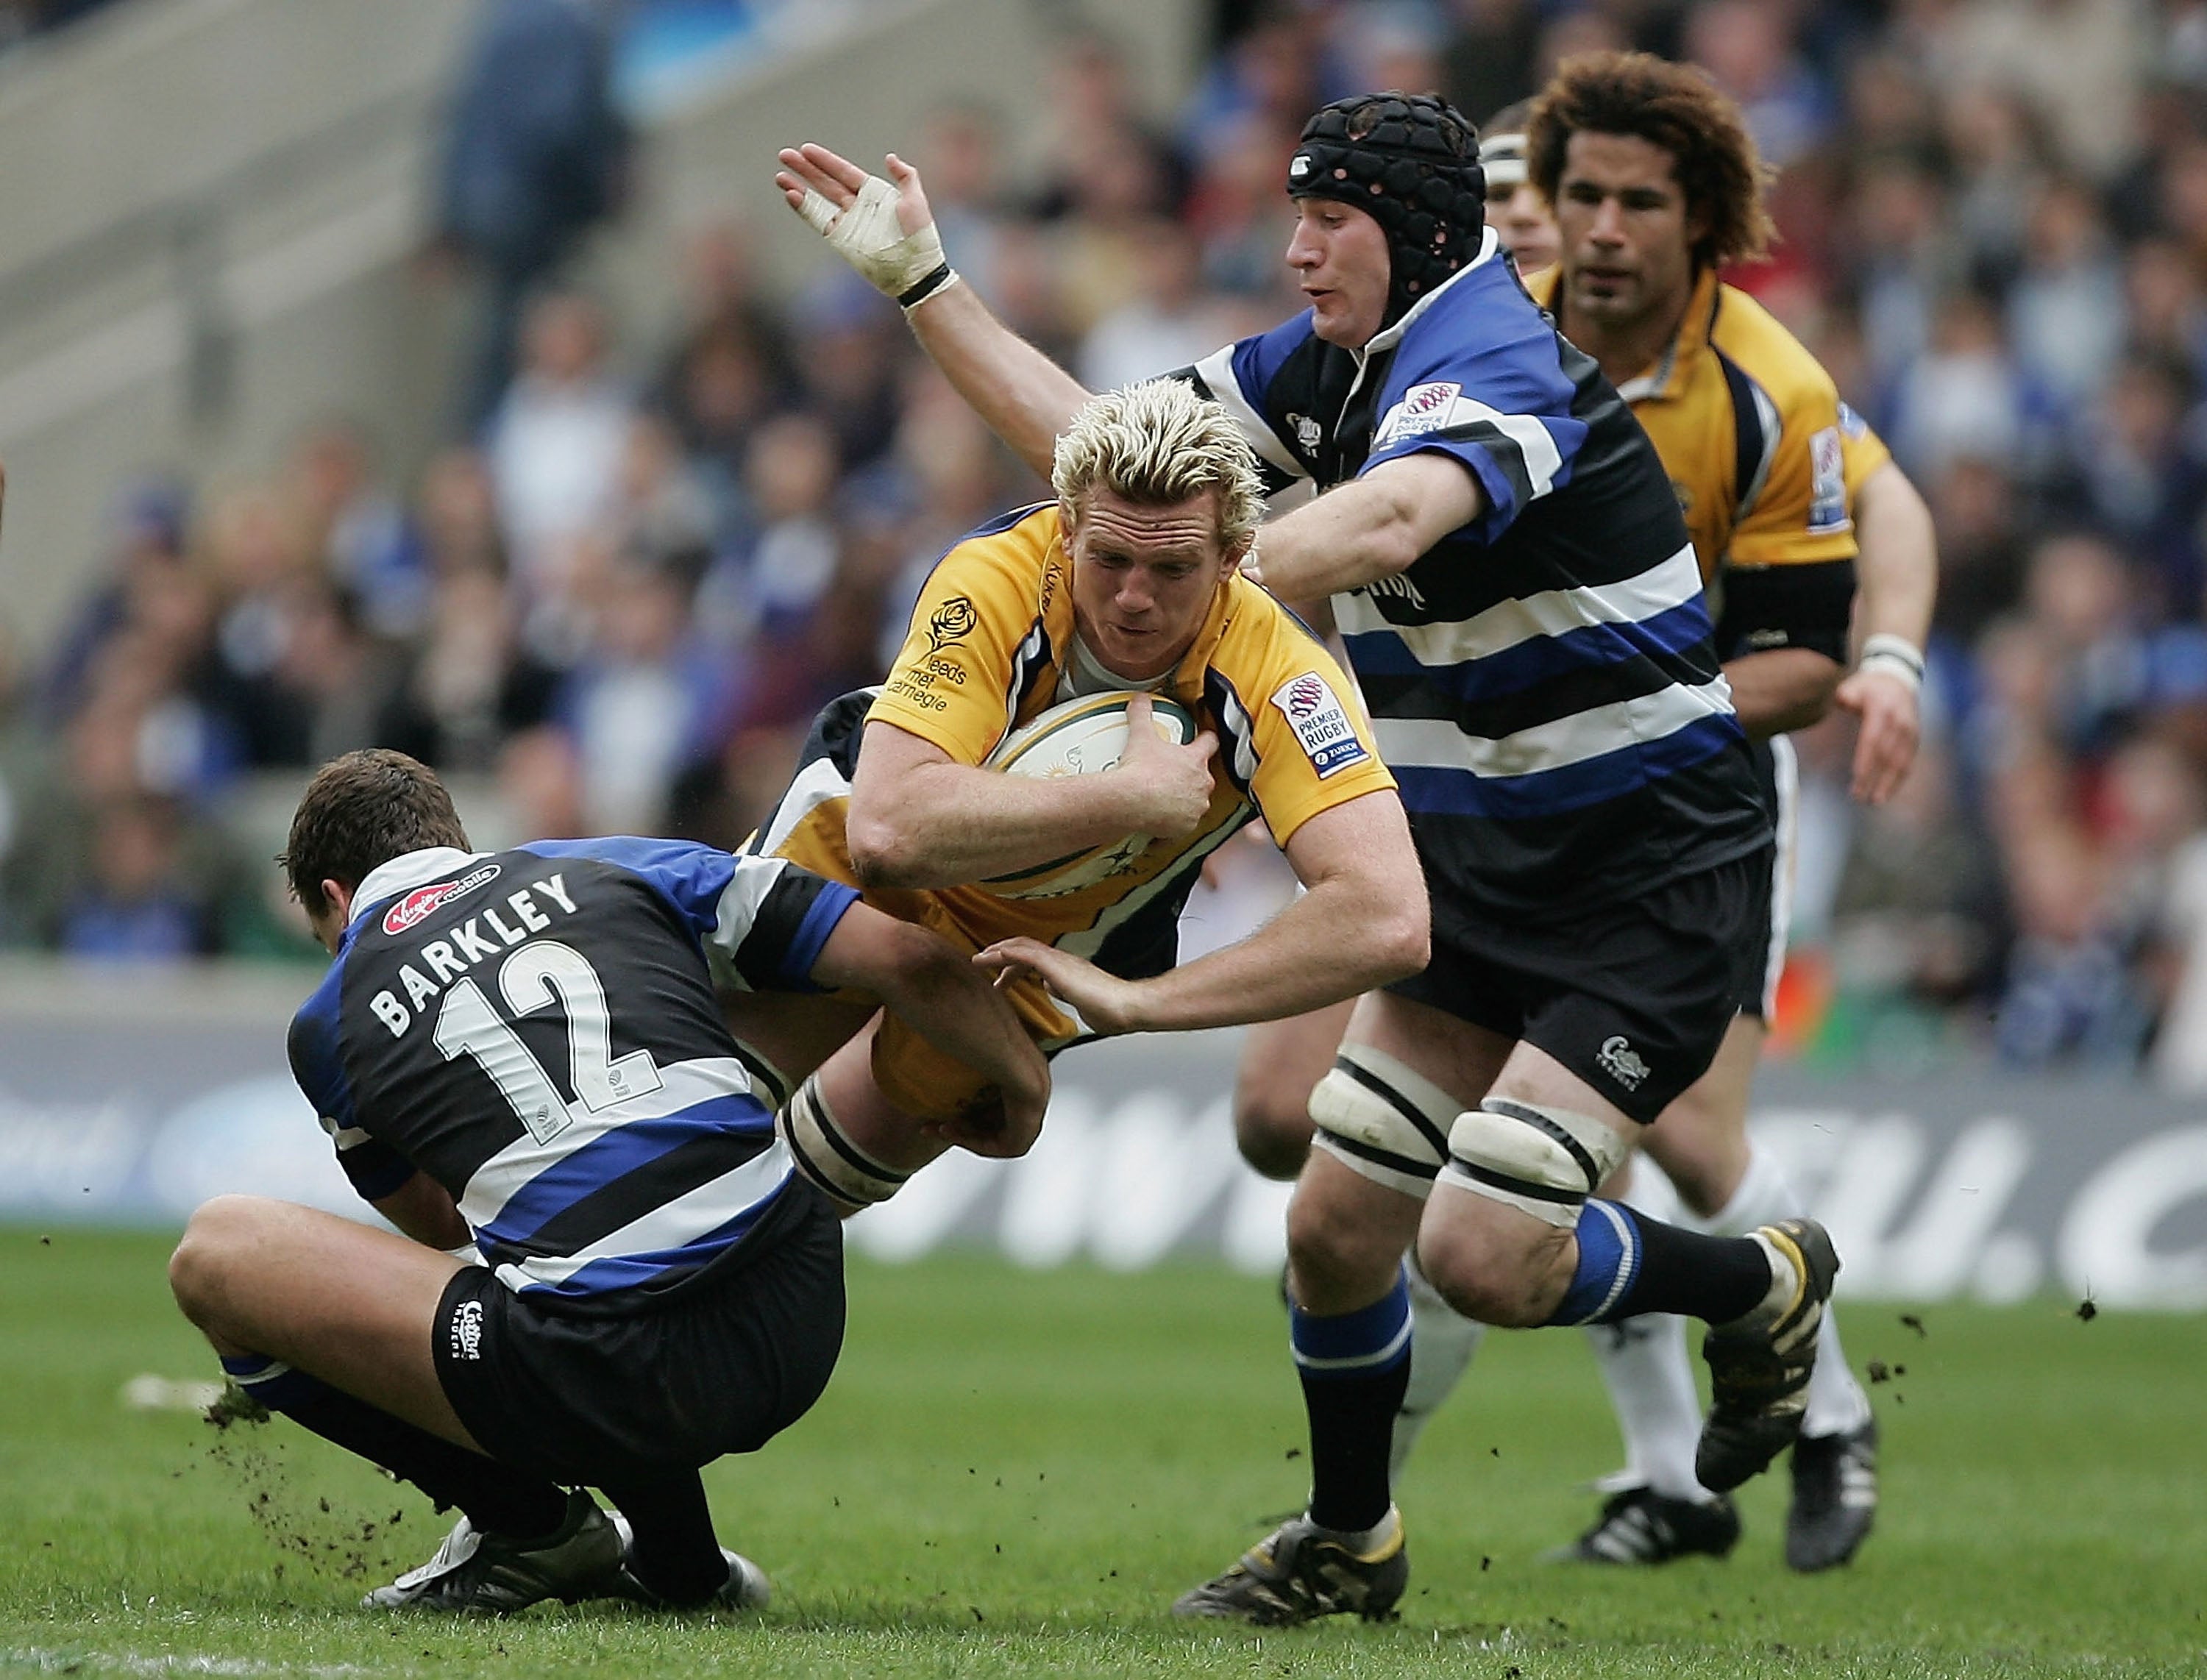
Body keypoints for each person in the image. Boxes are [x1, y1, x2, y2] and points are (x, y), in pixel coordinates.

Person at [777, 91, 1839, 1628]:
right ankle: (1352, 1537)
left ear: (1407, 236)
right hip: (1475, 862)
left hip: (1644, 874)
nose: (1293, 251)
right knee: (1336, 1230)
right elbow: (1109, 457)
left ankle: (1759, 1282)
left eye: (1325, 222)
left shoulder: (1505, 363)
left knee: (1482, 1248)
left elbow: (1400, 517)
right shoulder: (1328, 366)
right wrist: (929, 289)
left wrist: (1187, 575)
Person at [1354, 56, 1938, 1576]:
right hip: (1504, 797)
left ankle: (1828, 1412)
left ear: (1705, 221)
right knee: (1480, 1160)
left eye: (1638, 203)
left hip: (1691, 796)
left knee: (1679, 1135)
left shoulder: (1770, 387)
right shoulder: (1495, 348)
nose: (1602, 230)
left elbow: (1845, 585)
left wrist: (1886, 659)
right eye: (1580, 199)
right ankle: (1629, 1477)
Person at [167, 748, 1047, 1614]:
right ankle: (681, 1566)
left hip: (600, 1381)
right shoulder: (620, 861)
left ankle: (530, 1528)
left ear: (335, 898)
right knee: (600, 1235)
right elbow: (914, 961)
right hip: (798, 1309)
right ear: (456, 840)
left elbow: (436, 1222)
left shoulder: (329, 1023)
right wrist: (1024, 1089)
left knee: (221, 1254)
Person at [718, 377, 1429, 1209]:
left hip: (1038, 953)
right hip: (866, 859)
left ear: (1235, 559)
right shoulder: (995, 575)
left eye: (1173, 568)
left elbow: (1390, 917)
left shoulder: (1286, 678)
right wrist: (1128, 799)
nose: (1133, 597)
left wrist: (1143, 1003)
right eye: (1110, 558)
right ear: (1067, 530)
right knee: (709, 1128)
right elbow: (887, 830)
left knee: (802, 1207)